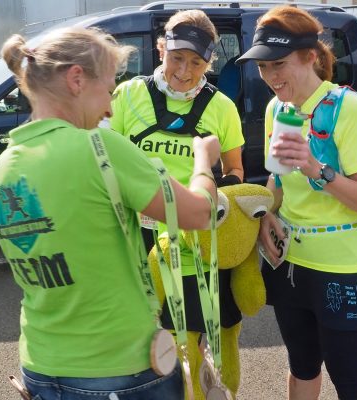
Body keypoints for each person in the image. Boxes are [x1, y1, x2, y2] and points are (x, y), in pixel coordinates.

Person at [0, 27, 220, 400]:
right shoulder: (99, 148)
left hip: (40, 366)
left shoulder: (3, 166)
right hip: (120, 369)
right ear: (77, 78)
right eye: (109, 90)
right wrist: (203, 163)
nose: (111, 108)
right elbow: (198, 213)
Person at [235, 6, 357, 400]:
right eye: (263, 67)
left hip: (342, 266)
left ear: (310, 57)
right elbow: (278, 180)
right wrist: (267, 210)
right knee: (302, 365)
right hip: (290, 264)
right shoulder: (278, 109)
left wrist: (316, 168)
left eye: (279, 64)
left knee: (351, 381)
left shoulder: (346, 107)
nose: (270, 77)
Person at [109, 9, 245, 395]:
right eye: (176, 58)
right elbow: (105, 163)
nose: (185, 71)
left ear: (210, 62)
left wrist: (217, 200)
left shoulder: (222, 108)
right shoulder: (128, 95)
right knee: (141, 338)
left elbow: (236, 170)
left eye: (197, 62)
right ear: (159, 49)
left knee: (190, 344)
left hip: (194, 245)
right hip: (136, 239)